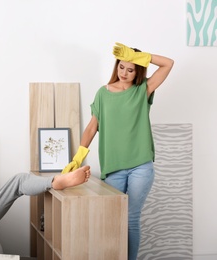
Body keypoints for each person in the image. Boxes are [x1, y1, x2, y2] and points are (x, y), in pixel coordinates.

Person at [62, 42, 174, 260]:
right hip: (113, 168)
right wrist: (78, 157)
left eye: (131, 69)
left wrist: (139, 56)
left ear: (138, 70)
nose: (124, 73)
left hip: (141, 166)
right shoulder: (103, 93)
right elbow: (92, 127)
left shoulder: (143, 90)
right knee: (112, 219)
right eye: (121, 67)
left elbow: (168, 64)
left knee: (131, 218)